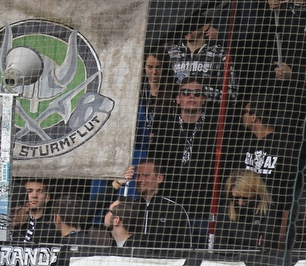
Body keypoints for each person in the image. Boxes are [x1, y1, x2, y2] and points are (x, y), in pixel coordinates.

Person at [149, 77, 217, 247]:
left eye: (197, 93)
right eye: (186, 92)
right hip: (169, 205)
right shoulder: (164, 125)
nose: (191, 96)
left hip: (203, 205)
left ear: (204, 99)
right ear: (178, 99)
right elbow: (155, 162)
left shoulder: (216, 127)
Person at [104, 158, 192, 249]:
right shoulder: (129, 207)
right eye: (137, 175)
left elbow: (185, 247)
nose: (140, 179)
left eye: (145, 175)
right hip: (129, 260)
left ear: (159, 178)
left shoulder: (175, 209)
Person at [166, 15, 233, 103]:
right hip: (177, 112)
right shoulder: (171, 54)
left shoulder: (219, 54)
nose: (187, 30)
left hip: (209, 112)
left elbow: (231, 94)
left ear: (206, 26)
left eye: (192, 25)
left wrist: (199, 93)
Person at [214, 170, 278, 251]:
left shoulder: (267, 212)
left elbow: (266, 249)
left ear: (256, 194)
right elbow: (220, 248)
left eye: (245, 198)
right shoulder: (225, 211)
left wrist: (234, 247)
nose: (240, 203)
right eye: (235, 198)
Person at [11, 179, 55, 243]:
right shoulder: (14, 223)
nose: (34, 195)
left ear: (47, 198)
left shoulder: (53, 225)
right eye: (29, 191)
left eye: (39, 191)